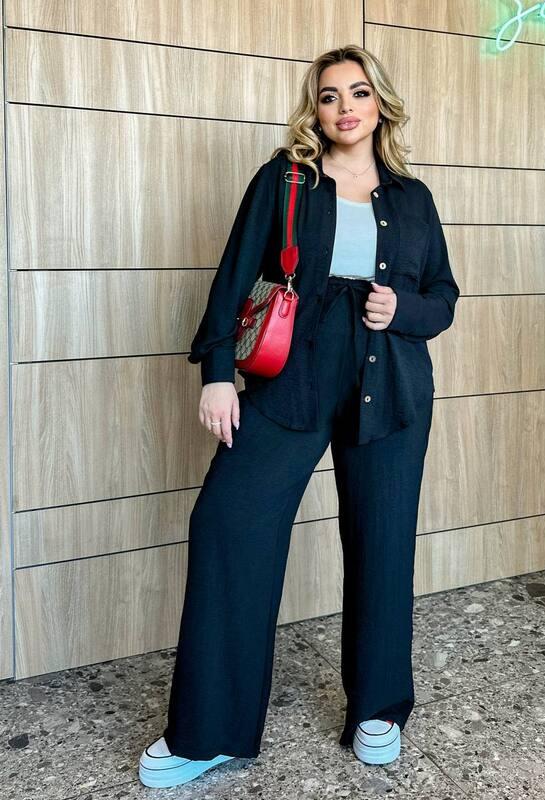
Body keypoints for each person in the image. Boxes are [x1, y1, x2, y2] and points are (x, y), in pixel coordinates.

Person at [138, 44, 460, 789]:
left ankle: (378, 708)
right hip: (291, 379)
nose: (345, 107)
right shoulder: (285, 180)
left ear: (380, 103)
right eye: (329, 95)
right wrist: (218, 375)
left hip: (392, 382)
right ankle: (209, 732)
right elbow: (234, 276)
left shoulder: (412, 198)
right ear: (314, 108)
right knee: (229, 524)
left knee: (383, 542)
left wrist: (402, 309)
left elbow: (443, 297)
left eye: (358, 92)